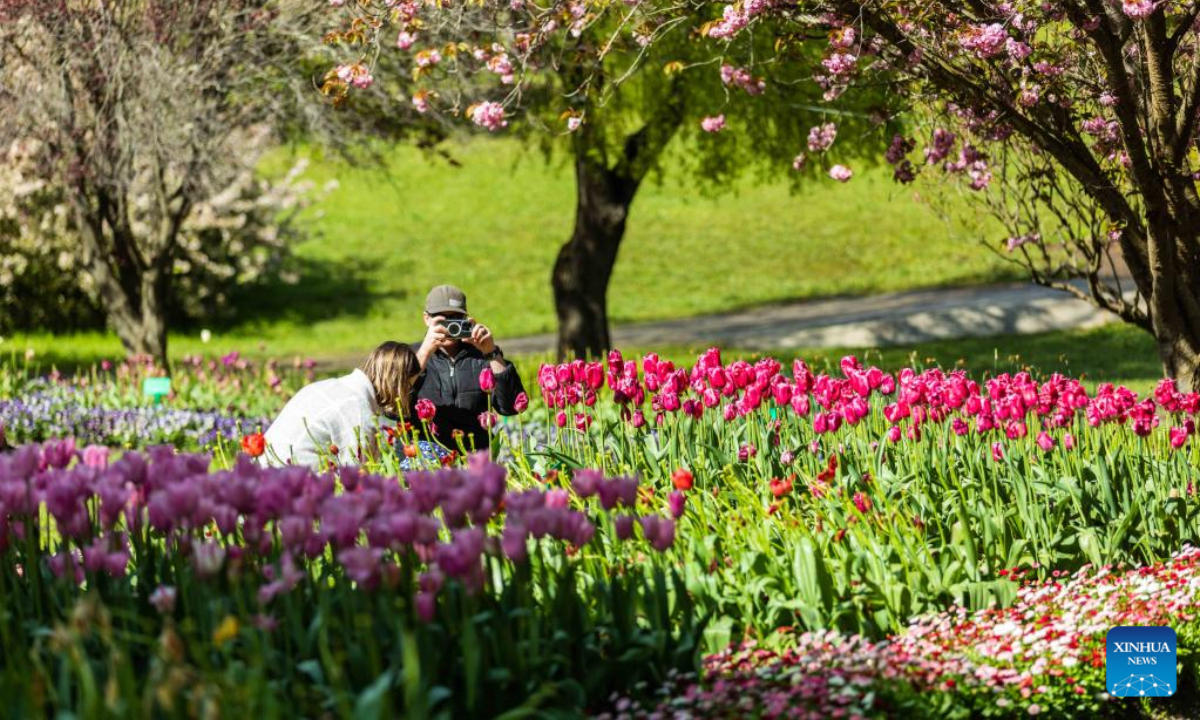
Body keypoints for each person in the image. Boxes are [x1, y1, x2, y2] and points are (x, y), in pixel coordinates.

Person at [263, 341, 421, 469]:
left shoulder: (331, 386)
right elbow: (357, 477)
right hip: (285, 484)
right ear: (396, 383)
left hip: (261, 470)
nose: (407, 394)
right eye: (408, 387)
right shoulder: (357, 410)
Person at [415, 284, 525, 451]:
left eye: (455, 318)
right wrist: (423, 354)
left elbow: (510, 407)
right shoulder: (409, 356)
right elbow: (392, 410)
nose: (449, 326)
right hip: (426, 459)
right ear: (426, 319)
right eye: (442, 319)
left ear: (466, 319)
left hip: (474, 456)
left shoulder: (481, 355)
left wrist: (491, 353)